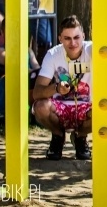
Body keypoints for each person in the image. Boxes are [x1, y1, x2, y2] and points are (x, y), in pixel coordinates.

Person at [31, 15, 93, 161]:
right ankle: (58, 136)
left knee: (105, 111)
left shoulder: (93, 50)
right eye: (67, 38)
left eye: (77, 37)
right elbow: (37, 92)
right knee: (40, 107)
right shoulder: (53, 54)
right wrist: (56, 88)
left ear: (83, 36)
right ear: (60, 39)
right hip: (60, 106)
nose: (73, 43)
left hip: (88, 106)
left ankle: (80, 137)